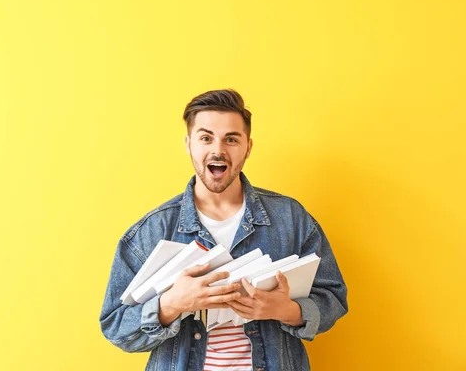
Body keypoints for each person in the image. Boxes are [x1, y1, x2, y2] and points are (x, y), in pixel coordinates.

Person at [100, 89, 348, 371]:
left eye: (231, 139)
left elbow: (334, 298)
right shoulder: (151, 231)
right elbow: (115, 327)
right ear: (189, 144)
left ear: (248, 147)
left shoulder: (291, 218)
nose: (218, 150)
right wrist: (171, 304)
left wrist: (286, 311)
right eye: (206, 138)